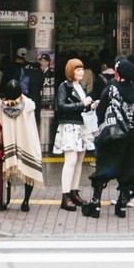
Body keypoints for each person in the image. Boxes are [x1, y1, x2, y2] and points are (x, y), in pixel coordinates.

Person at [82, 58, 134, 218]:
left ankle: (96, 204)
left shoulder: (111, 90)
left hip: (112, 136)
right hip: (131, 137)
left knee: (104, 167)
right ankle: (122, 204)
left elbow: (100, 112)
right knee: (128, 169)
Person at [0, 78, 45, 211]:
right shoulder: (28, 105)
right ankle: (26, 201)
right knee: (29, 173)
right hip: (26, 142)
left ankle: (6, 199)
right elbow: (30, 103)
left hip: (8, 144)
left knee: (7, 171)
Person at [52, 57, 96, 211]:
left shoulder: (81, 87)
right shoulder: (65, 86)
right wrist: (81, 104)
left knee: (79, 161)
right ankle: (65, 196)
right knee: (70, 160)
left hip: (81, 126)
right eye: (78, 69)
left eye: (82, 69)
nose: (81, 72)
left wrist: (91, 106)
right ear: (71, 71)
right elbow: (61, 106)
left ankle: (74, 192)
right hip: (70, 126)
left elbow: (81, 107)